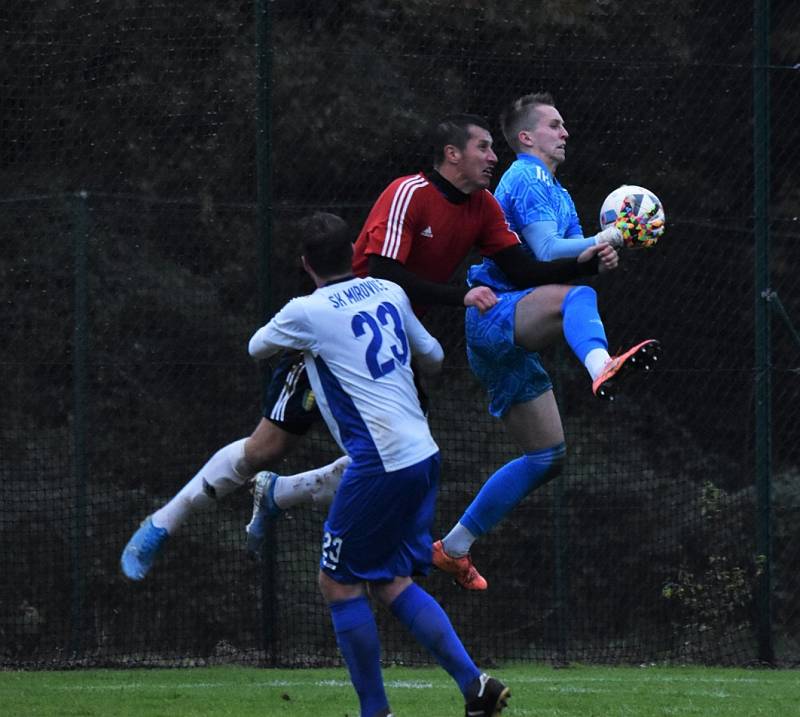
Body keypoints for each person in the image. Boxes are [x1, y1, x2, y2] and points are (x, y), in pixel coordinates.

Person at [120, 112, 619, 579]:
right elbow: (383, 273)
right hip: (335, 335)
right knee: (263, 449)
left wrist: (590, 260)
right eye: (483, 147)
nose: (494, 156)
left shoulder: (483, 206)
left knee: (396, 459)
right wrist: (459, 296)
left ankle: (282, 495)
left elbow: (522, 270)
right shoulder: (411, 192)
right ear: (452, 154)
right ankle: (162, 523)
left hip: (393, 350)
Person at [249, 210, 510, 717]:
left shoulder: (306, 310)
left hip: (379, 462)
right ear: (353, 253)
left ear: (306, 264)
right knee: (391, 580)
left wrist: (308, 340)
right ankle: (475, 686)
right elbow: (432, 354)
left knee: (337, 581)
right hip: (422, 453)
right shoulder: (388, 292)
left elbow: (256, 346)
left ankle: (376, 712)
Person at [431, 92, 663, 589]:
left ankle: (453, 547)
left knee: (547, 457)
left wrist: (602, 252)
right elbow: (545, 249)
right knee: (577, 297)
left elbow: (566, 264)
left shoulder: (557, 192)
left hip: (510, 329)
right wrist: (614, 237)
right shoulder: (525, 174)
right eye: (554, 125)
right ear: (526, 138)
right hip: (495, 315)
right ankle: (601, 364)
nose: (565, 132)